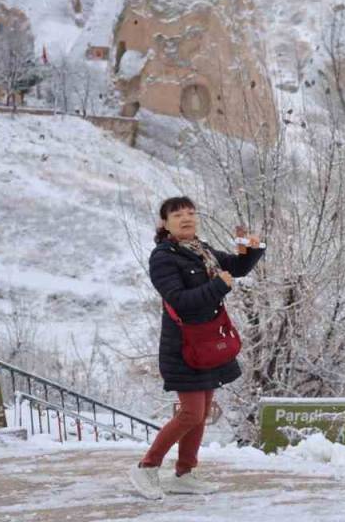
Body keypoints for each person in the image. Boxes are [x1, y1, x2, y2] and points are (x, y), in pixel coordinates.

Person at [129, 196, 265, 500]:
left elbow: (237, 267)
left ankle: (184, 473)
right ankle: (146, 466)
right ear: (165, 223)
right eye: (178, 214)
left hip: (206, 345)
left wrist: (252, 248)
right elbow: (179, 300)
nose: (187, 218)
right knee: (191, 413)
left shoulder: (200, 250)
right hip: (183, 347)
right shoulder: (163, 257)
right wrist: (219, 285)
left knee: (200, 413)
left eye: (191, 213)